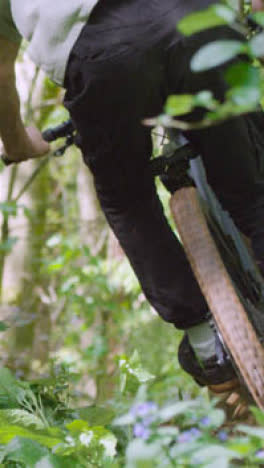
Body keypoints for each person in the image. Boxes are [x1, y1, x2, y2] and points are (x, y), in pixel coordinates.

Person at [1, 0, 264, 402]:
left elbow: (2, 69)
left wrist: (18, 142)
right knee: (251, 191)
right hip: (196, 19)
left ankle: (209, 348)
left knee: (128, 199)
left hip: (106, 56)